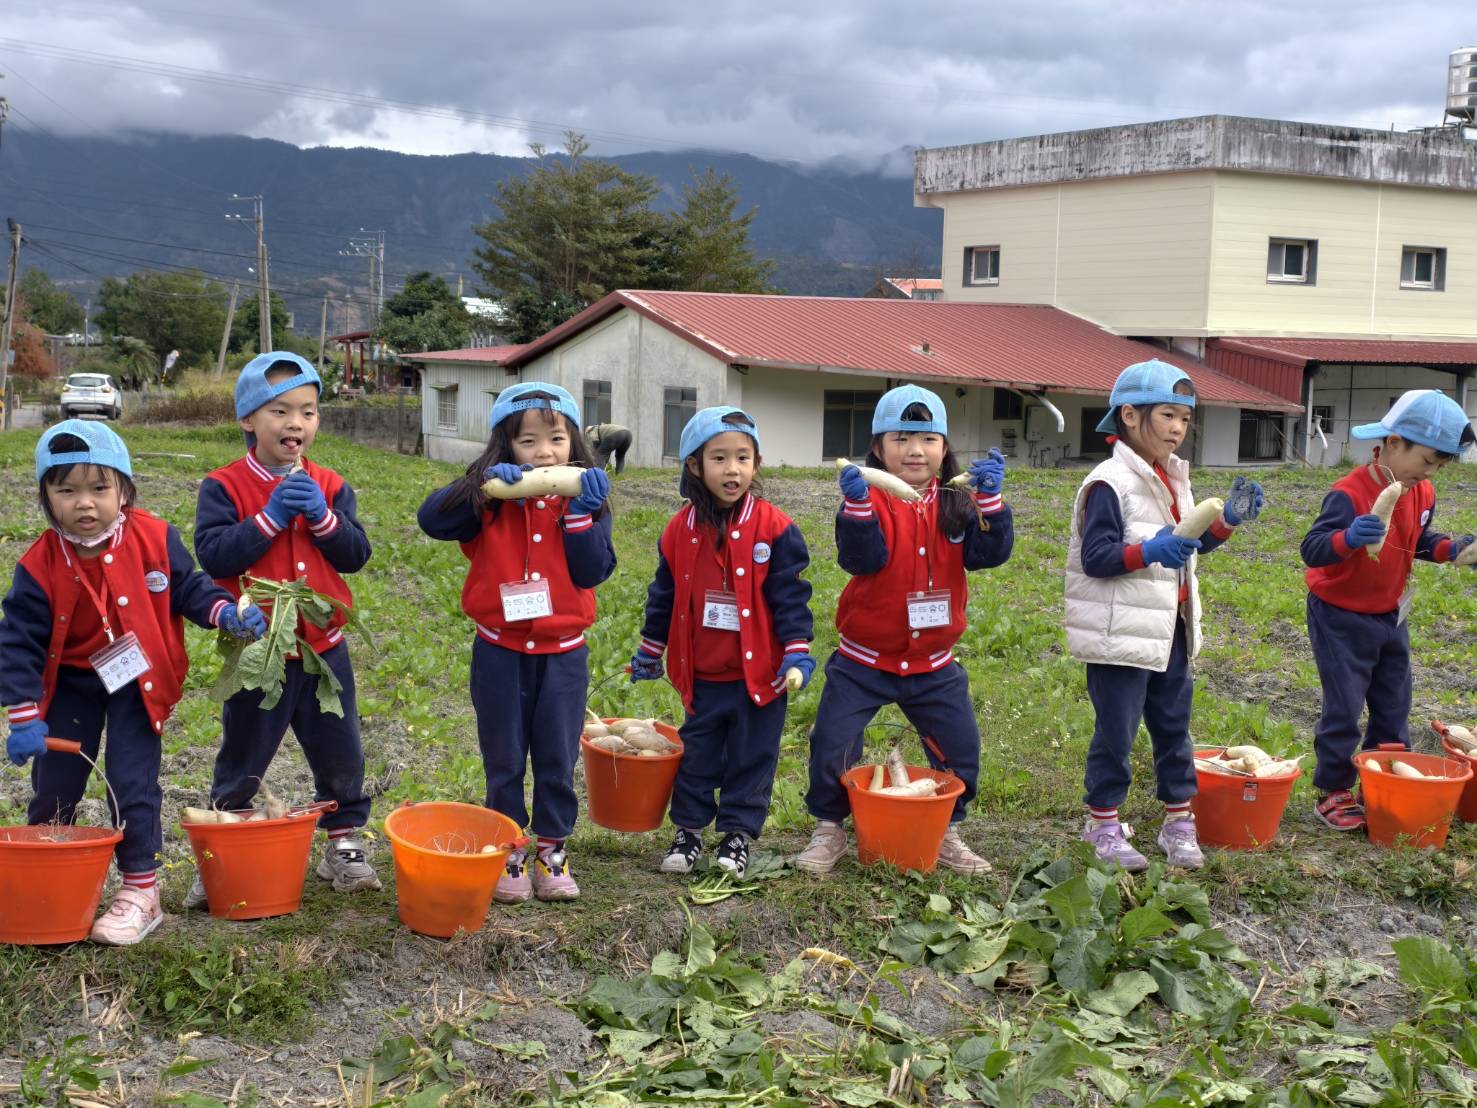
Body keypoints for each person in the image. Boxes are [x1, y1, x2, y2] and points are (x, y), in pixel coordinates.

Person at [1, 421, 266, 944]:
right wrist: (23, 712)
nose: (85, 503)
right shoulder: (38, 564)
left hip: (136, 681)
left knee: (132, 780)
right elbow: (18, 643)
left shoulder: (154, 537)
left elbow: (189, 588)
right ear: (45, 496)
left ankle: (140, 890)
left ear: (123, 489)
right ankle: (47, 873)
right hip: (72, 684)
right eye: (66, 489)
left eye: (99, 488)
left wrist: (221, 611)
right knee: (57, 782)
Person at [795, 385, 1012, 875]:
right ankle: (829, 829)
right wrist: (855, 510)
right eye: (901, 439)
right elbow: (861, 559)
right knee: (833, 742)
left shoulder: (959, 499)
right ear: (878, 447)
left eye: (928, 440)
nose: (915, 451)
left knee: (960, 750)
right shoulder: (867, 496)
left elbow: (988, 555)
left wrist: (994, 505)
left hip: (933, 664)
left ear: (944, 447)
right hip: (864, 659)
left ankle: (948, 830)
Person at [192, 352, 378, 905]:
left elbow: (355, 556)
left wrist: (323, 518)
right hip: (258, 647)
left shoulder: (331, 484)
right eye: (280, 411)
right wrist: (270, 517)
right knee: (244, 750)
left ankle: (343, 841)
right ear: (249, 419)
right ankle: (226, 845)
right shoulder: (223, 486)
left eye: (308, 411)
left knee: (340, 748)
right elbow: (213, 555)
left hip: (323, 648)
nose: (296, 423)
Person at [417, 382, 615, 903]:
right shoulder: (488, 497)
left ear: (573, 441)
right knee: (503, 756)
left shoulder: (586, 499)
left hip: (564, 654)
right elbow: (431, 520)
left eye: (555, 439)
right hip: (499, 651)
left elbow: (594, 570)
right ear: (505, 448)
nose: (544, 453)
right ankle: (507, 848)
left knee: (556, 755)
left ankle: (553, 849)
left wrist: (582, 516)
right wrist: (479, 486)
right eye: (527, 442)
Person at [1065, 360, 1264, 871]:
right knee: (1118, 731)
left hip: (1169, 629)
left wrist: (1227, 524)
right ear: (1129, 415)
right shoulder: (1109, 483)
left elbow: (1188, 549)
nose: (1178, 428)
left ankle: (1179, 820)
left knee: (1175, 728)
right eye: (1168, 415)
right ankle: (1102, 824)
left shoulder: (1175, 478)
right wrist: (1149, 550)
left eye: (1185, 419)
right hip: (1121, 634)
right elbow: (1098, 557)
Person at [630, 407, 814, 878]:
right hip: (705, 675)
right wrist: (652, 649)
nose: (732, 469)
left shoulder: (775, 528)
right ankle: (688, 831)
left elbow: (791, 595)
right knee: (697, 756)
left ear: (756, 463)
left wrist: (797, 650)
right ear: (695, 465)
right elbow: (663, 595)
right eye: (719, 458)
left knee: (754, 759)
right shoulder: (678, 531)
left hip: (761, 677)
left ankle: (737, 835)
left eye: (743, 458)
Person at [1300, 389, 1475, 831]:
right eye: (1429, 460)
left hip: (1389, 615)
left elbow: (1417, 539)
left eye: (1440, 465)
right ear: (1395, 442)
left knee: (1394, 702)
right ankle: (1333, 789)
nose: (1431, 472)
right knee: (1343, 704)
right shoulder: (1349, 493)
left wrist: (1450, 549)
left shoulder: (1421, 491)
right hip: (1340, 615)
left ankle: (1379, 778)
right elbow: (1313, 549)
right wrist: (1349, 538)